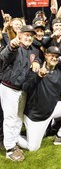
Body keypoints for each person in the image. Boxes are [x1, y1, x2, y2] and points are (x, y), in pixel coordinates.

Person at [18, 46, 61, 151]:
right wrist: (38, 76)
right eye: (52, 55)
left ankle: (60, 136)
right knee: (33, 147)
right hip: (36, 115)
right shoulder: (35, 69)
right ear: (46, 56)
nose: (54, 58)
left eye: (57, 57)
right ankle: (12, 137)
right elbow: (25, 87)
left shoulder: (59, 74)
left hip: (52, 109)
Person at [0, 25, 40, 161]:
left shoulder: (32, 50)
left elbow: (37, 58)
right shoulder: (15, 46)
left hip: (21, 90)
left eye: (31, 36)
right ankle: (10, 149)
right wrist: (11, 45)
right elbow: (4, 56)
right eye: (26, 35)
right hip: (9, 88)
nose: (29, 37)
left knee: (18, 119)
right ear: (20, 34)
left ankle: (14, 142)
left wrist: (36, 62)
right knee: (10, 119)